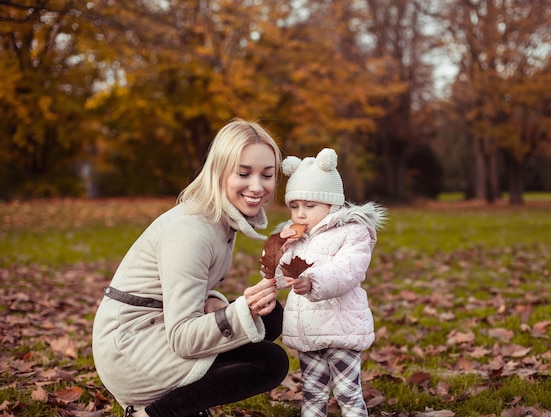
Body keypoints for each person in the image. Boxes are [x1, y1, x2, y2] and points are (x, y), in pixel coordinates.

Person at [92, 119, 289, 417]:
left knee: (270, 318)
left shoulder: (220, 218)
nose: (257, 186)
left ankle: (179, 406)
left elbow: (188, 294)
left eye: (267, 174)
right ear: (220, 172)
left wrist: (217, 302)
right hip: (131, 348)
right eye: (244, 173)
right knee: (269, 362)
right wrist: (240, 309)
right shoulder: (192, 232)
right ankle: (152, 413)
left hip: (157, 326)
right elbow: (183, 337)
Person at [268, 148, 386, 417]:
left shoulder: (353, 232)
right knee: (313, 391)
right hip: (309, 330)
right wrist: (278, 247)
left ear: (331, 204)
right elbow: (276, 276)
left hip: (342, 330)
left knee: (347, 390)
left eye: (310, 206)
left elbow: (348, 270)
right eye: (294, 206)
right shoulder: (293, 237)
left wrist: (313, 281)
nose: (300, 214)